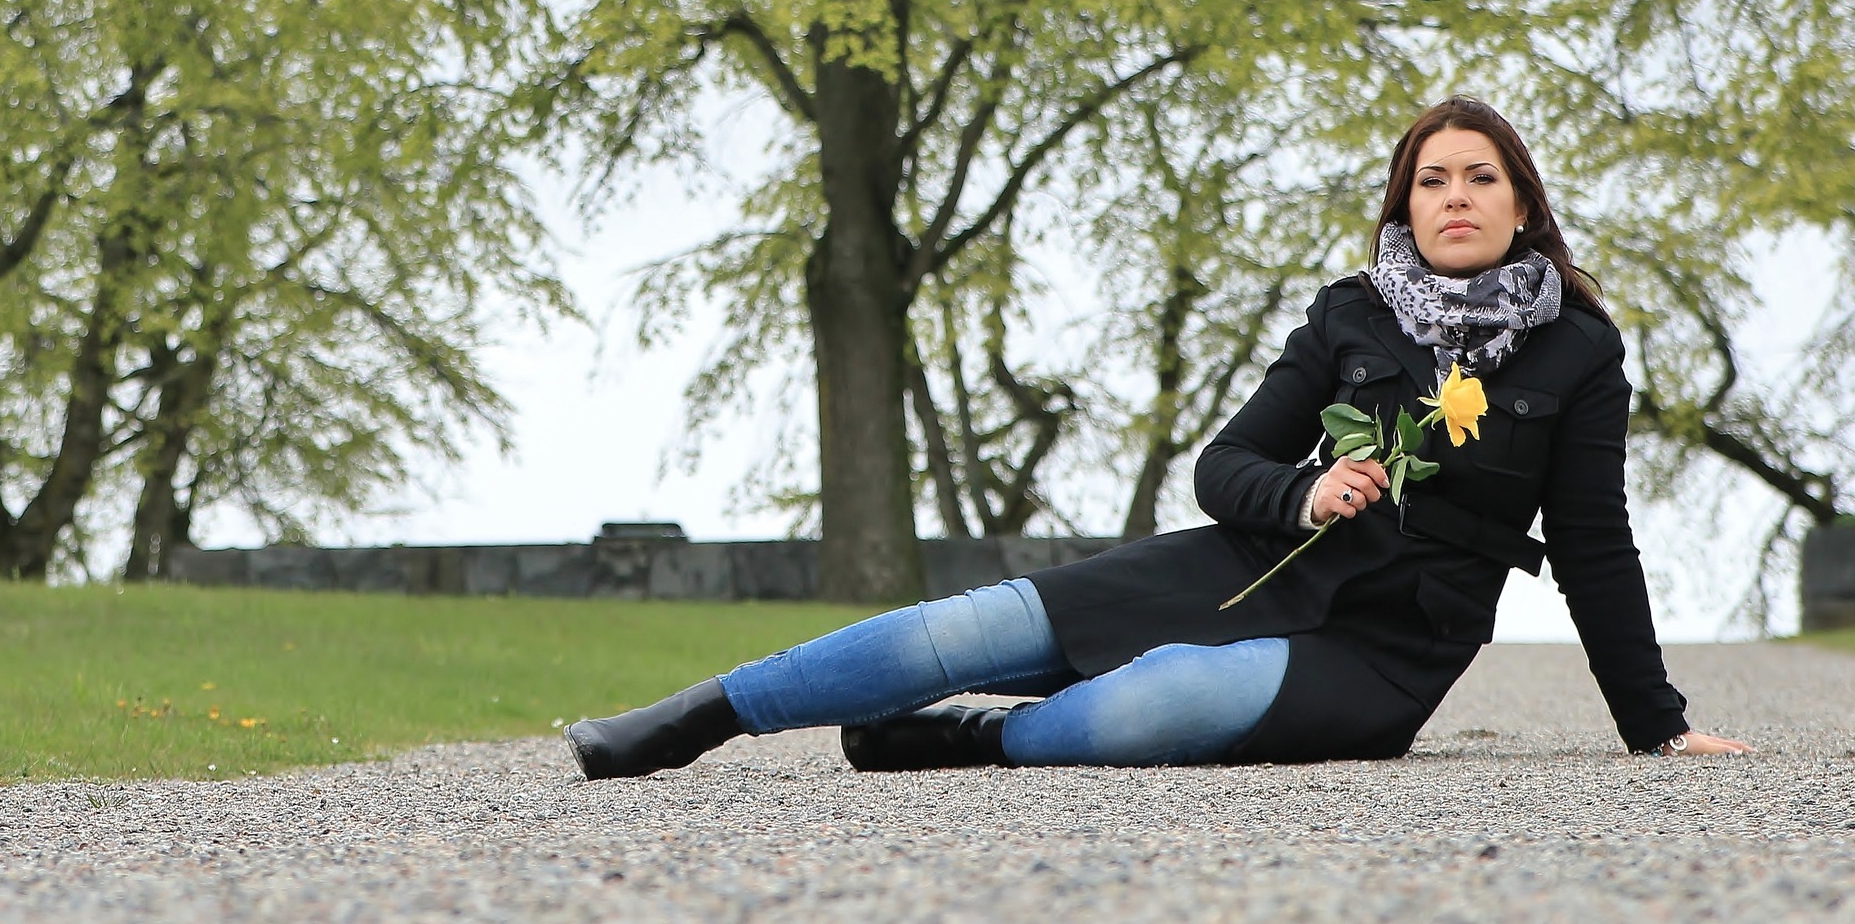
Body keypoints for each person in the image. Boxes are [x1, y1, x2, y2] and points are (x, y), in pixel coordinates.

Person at [566, 97, 1753, 777]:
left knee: (1152, 703)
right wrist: (1303, 497)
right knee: (969, 627)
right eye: (1431, 179)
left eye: (1479, 178)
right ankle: (694, 719)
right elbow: (1222, 468)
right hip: (1241, 565)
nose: (1455, 196)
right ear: (1404, 204)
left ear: (1520, 204)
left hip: (1386, 649)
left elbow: (1594, 543)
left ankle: (970, 740)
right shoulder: (1349, 315)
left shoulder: (1577, 351)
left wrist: (1656, 724)